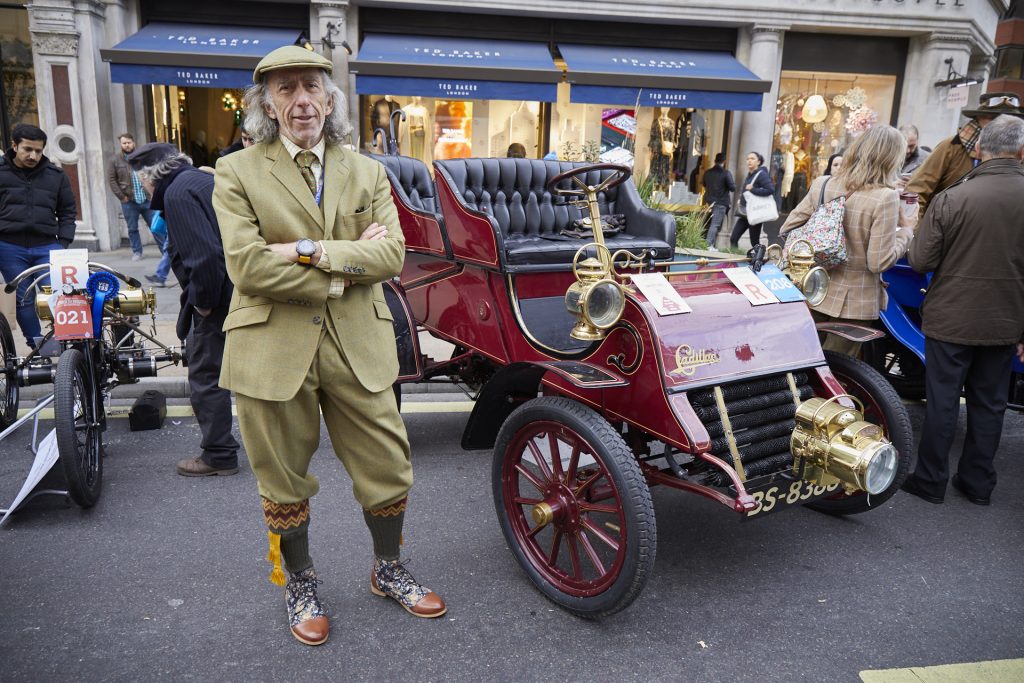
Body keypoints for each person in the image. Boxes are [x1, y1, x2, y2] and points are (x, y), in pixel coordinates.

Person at [213, 46, 446, 646]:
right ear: (268, 102)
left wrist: (306, 250)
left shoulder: (366, 170)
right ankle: (301, 580)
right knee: (282, 476)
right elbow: (247, 269)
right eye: (286, 90)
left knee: (387, 463)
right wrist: (348, 263)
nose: (301, 101)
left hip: (357, 341)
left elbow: (392, 254)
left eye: (311, 87)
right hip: (270, 342)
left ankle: (388, 568)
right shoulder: (236, 172)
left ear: (330, 97)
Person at [899, 115, 1024, 507]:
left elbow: (919, 260)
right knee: (990, 403)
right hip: (1007, 319)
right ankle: (977, 483)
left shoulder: (952, 198)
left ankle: (931, 479)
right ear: (1019, 151)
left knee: (943, 400)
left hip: (951, 315)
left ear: (981, 150)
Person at [127, 143, 239, 477]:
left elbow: (205, 256)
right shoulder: (198, 181)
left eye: (141, 182)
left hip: (216, 299)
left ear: (151, 176)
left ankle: (219, 454)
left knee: (206, 376)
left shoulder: (176, 194)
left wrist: (203, 303)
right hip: (237, 291)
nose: (142, 189)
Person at [779, 125, 915, 356]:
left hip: (811, 287)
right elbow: (879, 262)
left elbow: (788, 228)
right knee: (837, 372)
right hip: (855, 301)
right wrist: (907, 231)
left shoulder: (823, 184)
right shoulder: (886, 197)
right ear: (893, 158)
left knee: (802, 361)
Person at [0, 124, 76, 348]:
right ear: (14, 146)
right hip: (9, 247)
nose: (33, 155)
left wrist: (63, 243)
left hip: (47, 246)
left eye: (38, 150)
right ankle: (40, 348)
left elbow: (67, 211)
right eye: (27, 149)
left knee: (59, 295)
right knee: (23, 299)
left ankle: (66, 346)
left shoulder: (56, 175)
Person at [905, 92, 1023, 216]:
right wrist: (918, 230)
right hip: (946, 228)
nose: (1003, 124)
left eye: (1010, 118)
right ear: (979, 119)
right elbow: (917, 190)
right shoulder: (951, 146)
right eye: (993, 118)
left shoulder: (1020, 153)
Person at [107, 133, 161, 261]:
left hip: (146, 198)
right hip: (129, 200)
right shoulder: (115, 160)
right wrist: (121, 197)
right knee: (132, 228)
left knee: (156, 225)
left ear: (133, 142)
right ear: (121, 145)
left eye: (129, 142)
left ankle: (165, 251)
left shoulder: (143, 157)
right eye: (124, 143)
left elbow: (153, 173)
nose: (127, 145)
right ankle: (137, 252)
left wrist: (153, 192)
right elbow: (112, 180)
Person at [729, 151, 775, 249]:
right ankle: (733, 260)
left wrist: (753, 189)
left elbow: (770, 190)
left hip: (755, 212)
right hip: (745, 213)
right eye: (748, 159)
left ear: (758, 162)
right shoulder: (750, 174)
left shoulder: (761, 174)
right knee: (733, 238)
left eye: (752, 159)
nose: (749, 161)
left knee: (754, 241)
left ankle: (759, 260)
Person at [701, 152, 735, 249]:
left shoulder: (707, 172)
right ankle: (708, 245)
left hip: (709, 202)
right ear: (724, 161)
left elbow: (704, 184)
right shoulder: (726, 173)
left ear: (715, 161)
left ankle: (703, 243)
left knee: (707, 224)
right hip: (721, 202)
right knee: (715, 225)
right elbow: (732, 187)